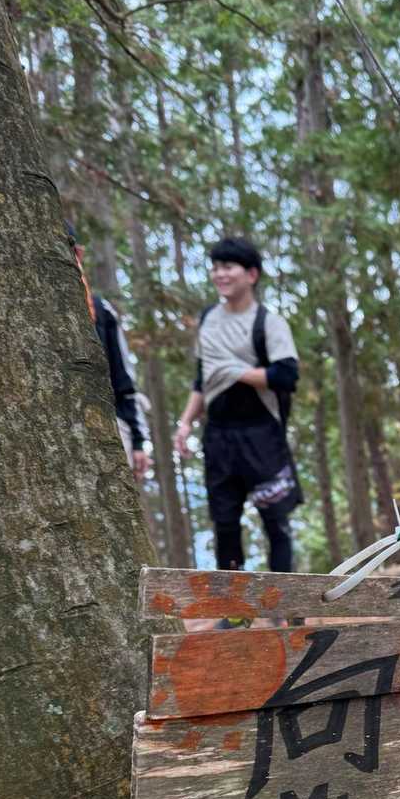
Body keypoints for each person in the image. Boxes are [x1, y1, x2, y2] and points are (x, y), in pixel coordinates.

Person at [175, 237, 302, 572]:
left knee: (276, 522)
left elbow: (287, 375)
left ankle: (287, 599)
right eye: (215, 267)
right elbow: (203, 379)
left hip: (262, 434)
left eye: (228, 267)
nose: (220, 274)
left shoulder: (268, 322)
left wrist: (234, 371)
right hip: (218, 436)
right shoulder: (208, 319)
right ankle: (231, 603)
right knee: (225, 524)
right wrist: (185, 422)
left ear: (251, 274)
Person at [66, 223, 148, 482]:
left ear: (78, 253)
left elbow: (124, 376)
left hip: (111, 422)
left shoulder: (101, 310)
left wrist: (137, 440)